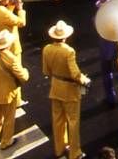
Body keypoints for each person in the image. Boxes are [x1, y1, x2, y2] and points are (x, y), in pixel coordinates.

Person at [42, 19, 90, 159]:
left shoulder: (47, 49)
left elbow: (46, 71)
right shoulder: (69, 51)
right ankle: (75, 153)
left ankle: (59, 149)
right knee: (73, 121)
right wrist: (84, 80)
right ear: (65, 36)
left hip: (55, 87)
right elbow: (75, 74)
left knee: (58, 120)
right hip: (69, 90)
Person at [0, 28, 29, 150]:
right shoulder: (11, 59)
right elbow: (23, 77)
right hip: (8, 94)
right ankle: (6, 141)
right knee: (8, 118)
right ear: (9, 44)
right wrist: (25, 71)